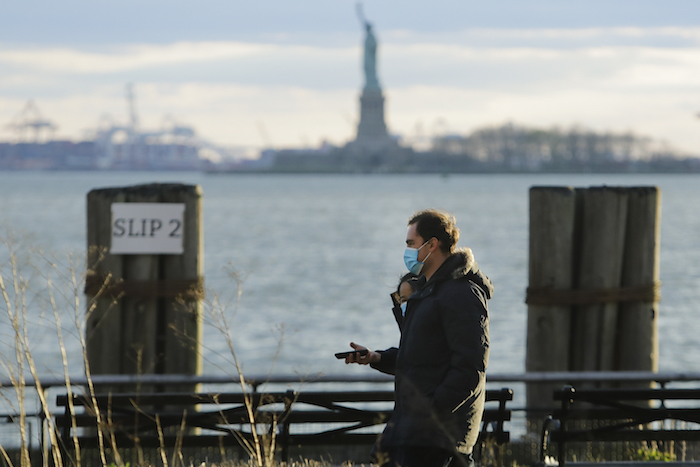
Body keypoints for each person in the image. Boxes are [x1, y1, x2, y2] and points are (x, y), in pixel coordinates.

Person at [343, 209, 493, 467]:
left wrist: (432, 411)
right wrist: (378, 357)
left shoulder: (461, 293)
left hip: (438, 437)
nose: (408, 252)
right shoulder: (427, 292)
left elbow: (471, 367)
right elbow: (420, 357)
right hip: (411, 431)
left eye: (411, 244)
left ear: (432, 245)